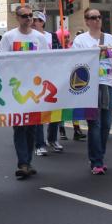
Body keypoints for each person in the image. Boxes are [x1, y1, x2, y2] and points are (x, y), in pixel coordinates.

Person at [0, 5, 50, 180]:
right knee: (19, 126)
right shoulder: (9, 37)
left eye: (30, 15)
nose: (28, 18)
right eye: (24, 16)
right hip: (16, 89)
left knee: (32, 127)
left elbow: (47, 60)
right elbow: (0, 60)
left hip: (34, 88)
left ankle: (28, 161)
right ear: (17, 18)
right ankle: (23, 163)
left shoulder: (40, 38)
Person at [73, 7, 112, 175]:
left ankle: (98, 156)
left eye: (99, 17)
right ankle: (97, 161)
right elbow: (76, 62)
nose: (97, 20)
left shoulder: (109, 38)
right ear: (87, 21)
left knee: (106, 123)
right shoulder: (80, 40)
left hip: (108, 84)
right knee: (95, 123)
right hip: (91, 86)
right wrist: (96, 52)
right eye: (93, 17)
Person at [31, 11, 64, 156]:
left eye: (37, 20)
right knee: (38, 110)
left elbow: (59, 54)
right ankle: (39, 143)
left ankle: (52, 138)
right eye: (32, 19)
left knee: (55, 108)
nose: (34, 22)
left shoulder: (52, 36)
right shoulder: (29, 37)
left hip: (52, 76)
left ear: (43, 22)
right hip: (35, 77)